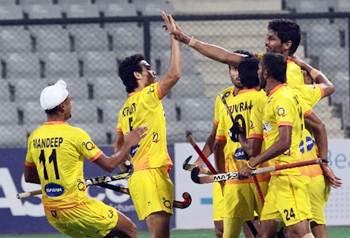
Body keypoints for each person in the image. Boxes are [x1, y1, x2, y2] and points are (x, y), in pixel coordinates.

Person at [24, 80, 147, 238]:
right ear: (62, 106)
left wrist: (61, 182)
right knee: (128, 229)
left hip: (53, 214)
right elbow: (110, 164)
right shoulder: (75, 134)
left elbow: (30, 177)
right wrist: (129, 142)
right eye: (69, 100)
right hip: (78, 209)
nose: (71, 103)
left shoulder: (35, 136)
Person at [114, 12, 181, 238]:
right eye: (148, 68)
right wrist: (175, 38)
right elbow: (175, 75)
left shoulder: (124, 109)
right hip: (150, 173)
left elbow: (118, 147)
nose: (153, 72)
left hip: (142, 175)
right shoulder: (148, 95)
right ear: (137, 75)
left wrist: (126, 170)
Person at [239, 53, 316, 238]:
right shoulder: (276, 97)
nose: (257, 73)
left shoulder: (282, 98)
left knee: (300, 233)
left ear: (266, 73)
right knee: (264, 234)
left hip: (288, 177)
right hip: (277, 179)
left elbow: (284, 141)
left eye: (259, 69)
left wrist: (253, 162)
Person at [193, 50, 254, 238]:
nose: (236, 74)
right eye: (232, 69)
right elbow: (215, 136)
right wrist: (200, 161)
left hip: (250, 170)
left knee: (254, 228)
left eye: (239, 69)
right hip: (225, 171)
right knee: (221, 229)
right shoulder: (222, 98)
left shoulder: (259, 94)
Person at [214, 57, 269, 238]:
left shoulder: (228, 104)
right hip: (261, 175)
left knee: (228, 234)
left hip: (234, 180)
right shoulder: (263, 98)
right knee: (269, 231)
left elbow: (218, 145)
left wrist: (222, 179)